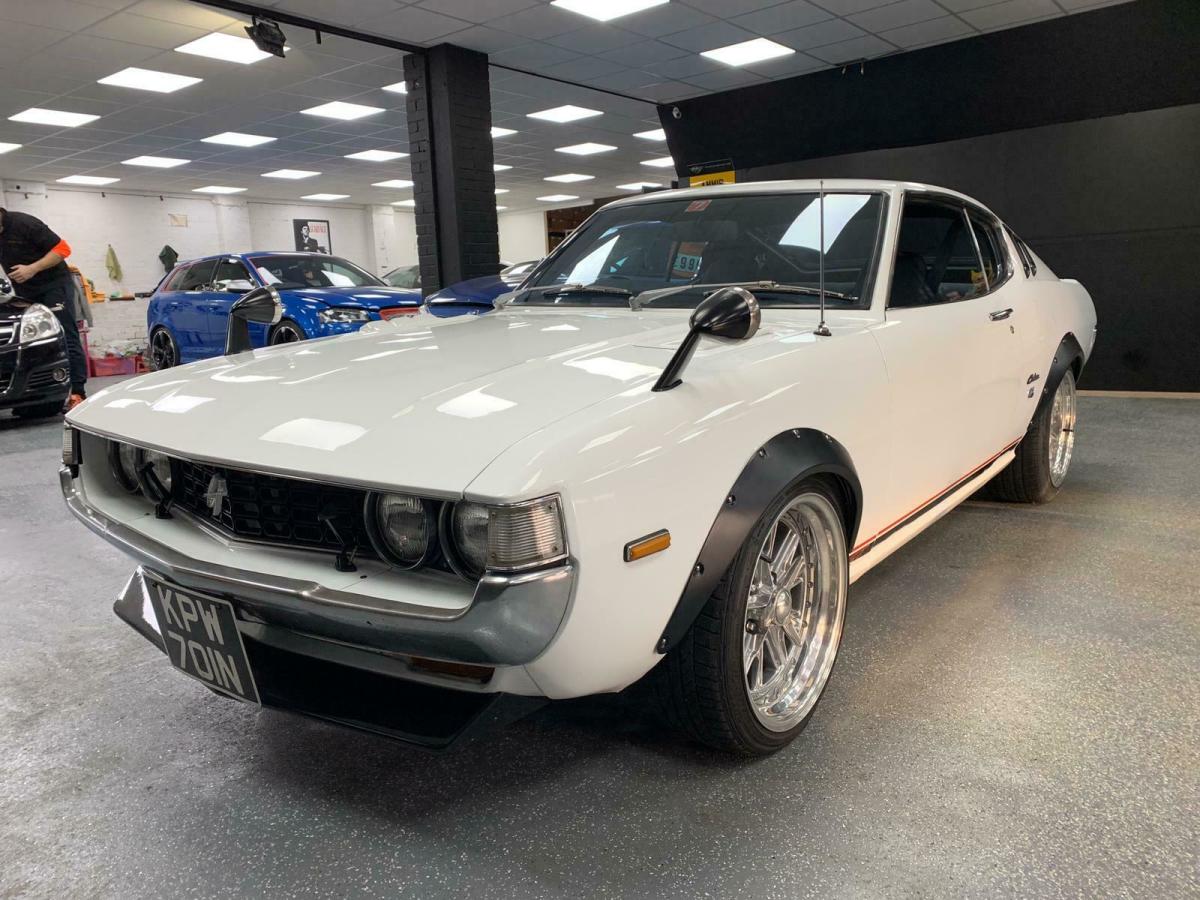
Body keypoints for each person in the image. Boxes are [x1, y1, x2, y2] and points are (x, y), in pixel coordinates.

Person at [0, 208, 87, 407]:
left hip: (53, 286)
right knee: (34, 339)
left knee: (66, 335)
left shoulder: (24, 223)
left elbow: (63, 249)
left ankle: (77, 393)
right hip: (23, 289)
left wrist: (32, 269)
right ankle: (37, 395)